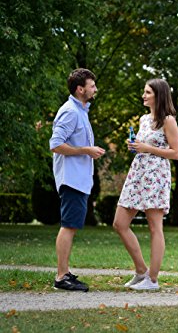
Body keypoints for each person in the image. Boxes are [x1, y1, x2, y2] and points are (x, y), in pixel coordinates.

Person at [113, 78, 178, 291]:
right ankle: (141, 271)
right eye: (144, 92)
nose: (143, 96)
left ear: (158, 95)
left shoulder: (168, 120)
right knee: (119, 223)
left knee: (155, 227)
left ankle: (152, 279)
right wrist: (135, 146)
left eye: (147, 92)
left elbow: (176, 153)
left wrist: (147, 148)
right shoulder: (143, 119)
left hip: (156, 175)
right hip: (138, 173)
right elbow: (143, 146)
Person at [49, 68, 106, 291]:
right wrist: (86, 150)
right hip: (71, 179)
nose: (95, 89)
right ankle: (61, 276)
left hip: (79, 179)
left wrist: (87, 151)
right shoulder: (70, 112)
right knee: (68, 226)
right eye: (92, 86)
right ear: (80, 89)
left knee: (71, 225)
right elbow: (55, 144)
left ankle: (65, 272)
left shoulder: (81, 111)